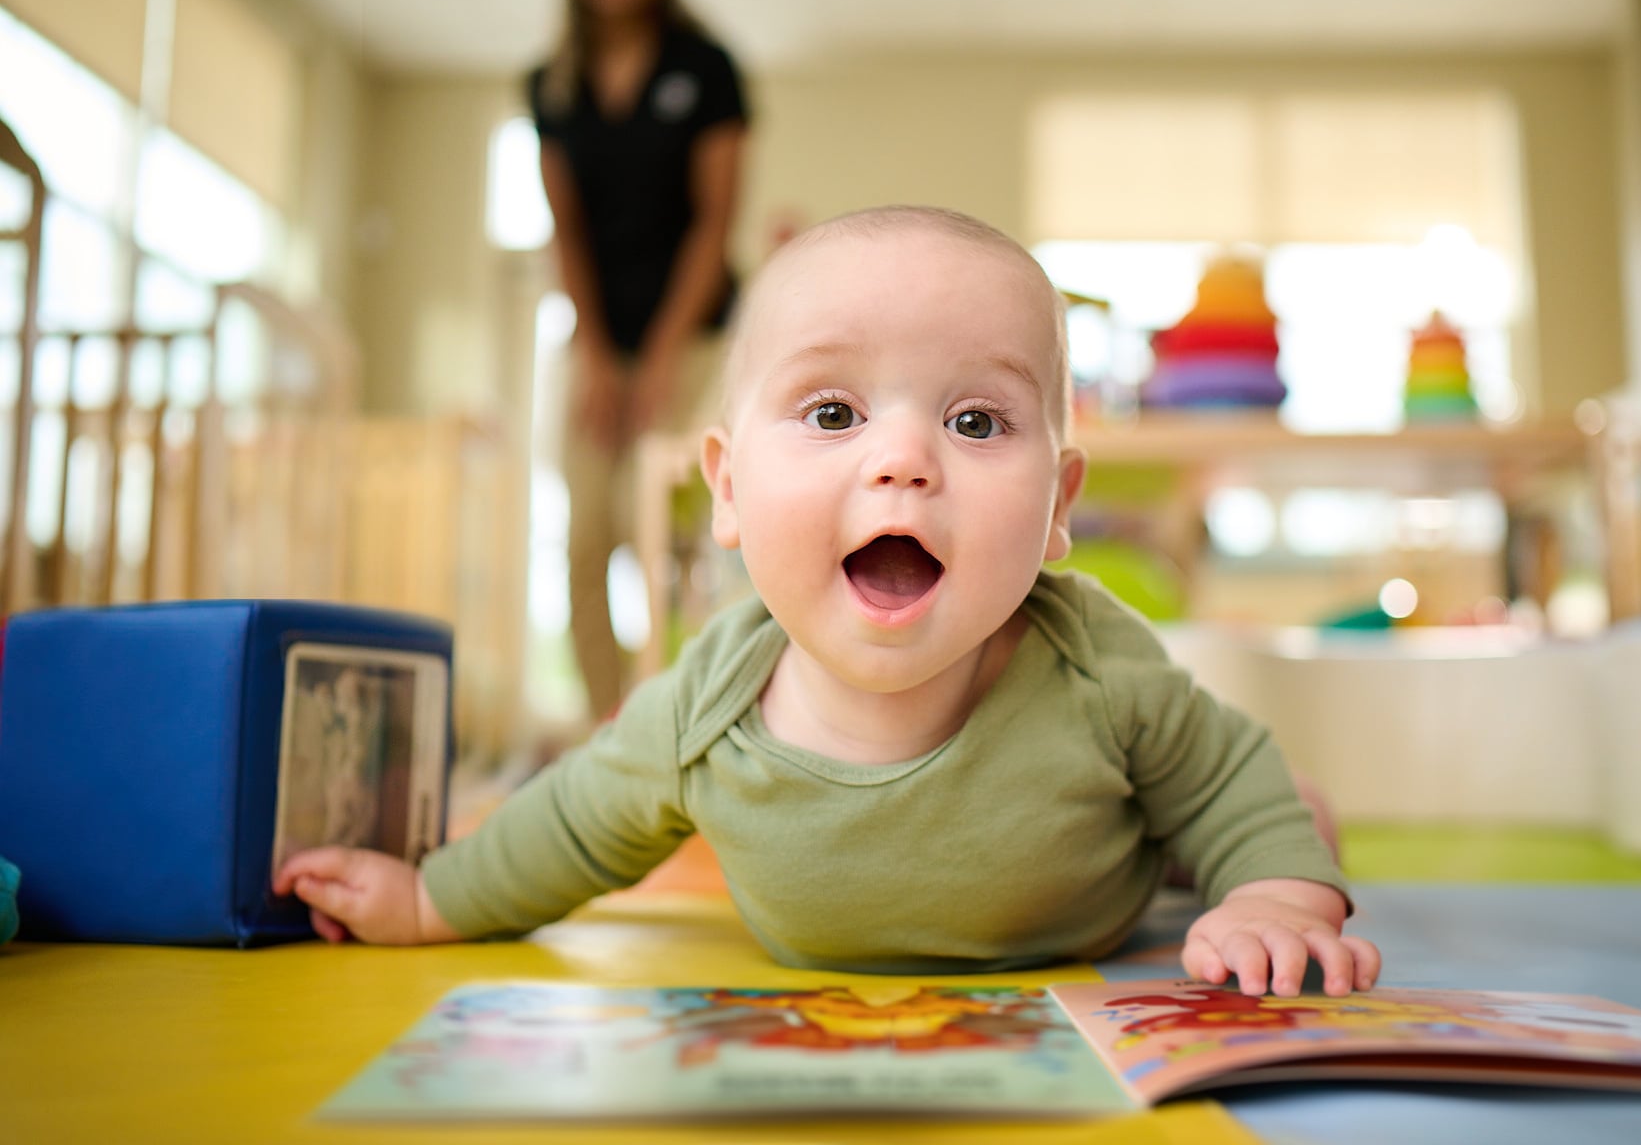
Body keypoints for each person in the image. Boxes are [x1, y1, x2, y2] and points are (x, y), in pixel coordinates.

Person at [276, 206, 1380, 999]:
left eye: (978, 422)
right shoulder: (703, 709)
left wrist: (1276, 901)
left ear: (1058, 508)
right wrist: (431, 901)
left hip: (1103, 886)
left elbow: (1227, 764)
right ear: (727, 488)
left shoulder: (1094, 662)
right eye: (835, 410)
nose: (902, 458)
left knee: (1248, 814)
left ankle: (1233, 850)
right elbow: (567, 824)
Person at [535, 0, 749, 723]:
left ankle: (677, 715)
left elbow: (714, 221)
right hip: (597, 338)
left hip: (691, 333)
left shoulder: (705, 69)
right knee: (586, 534)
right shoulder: (552, 86)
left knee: (653, 520)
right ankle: (607, 734)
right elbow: (567, 232)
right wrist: (596, 355)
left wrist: (658, 361)